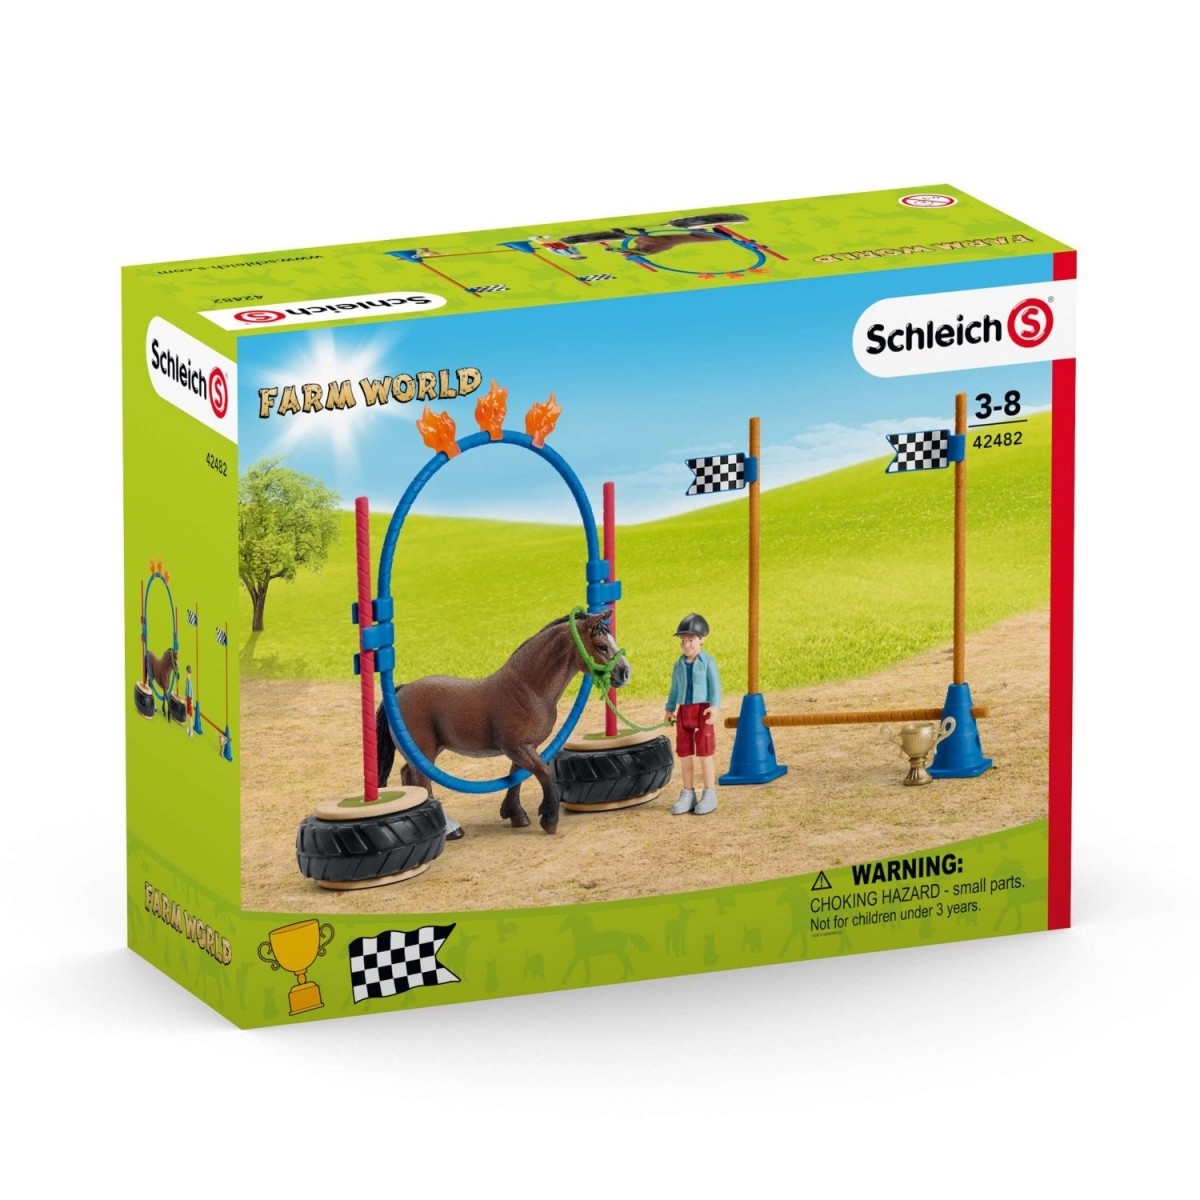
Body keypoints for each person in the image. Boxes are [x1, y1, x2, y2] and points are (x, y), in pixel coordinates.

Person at [664, 613, 721, 815]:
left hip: (703, 710)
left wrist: (715, 706)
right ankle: (688, 792)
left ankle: (709, 793)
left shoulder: (708, 662)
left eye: (691, 640)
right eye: (683, 640)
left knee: (705, 753)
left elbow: (715, 686)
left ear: (702, 639)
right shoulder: (678, 665)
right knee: (685, 754)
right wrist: (669, 708)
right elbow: (674, 688)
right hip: (683, 713)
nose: (686, 645)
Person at [184, 665, 194, 736]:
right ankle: (189, 727)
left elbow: (192, 691)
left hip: (190, 699)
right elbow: (186, 690)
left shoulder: (190, 683)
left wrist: (192, 700)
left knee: (190, 716)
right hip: (187, 698)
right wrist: (185, 697)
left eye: (189, 674)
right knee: (187, 714)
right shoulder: (187, 681)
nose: (188, 675)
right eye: (187, 674)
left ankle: (191, 730)